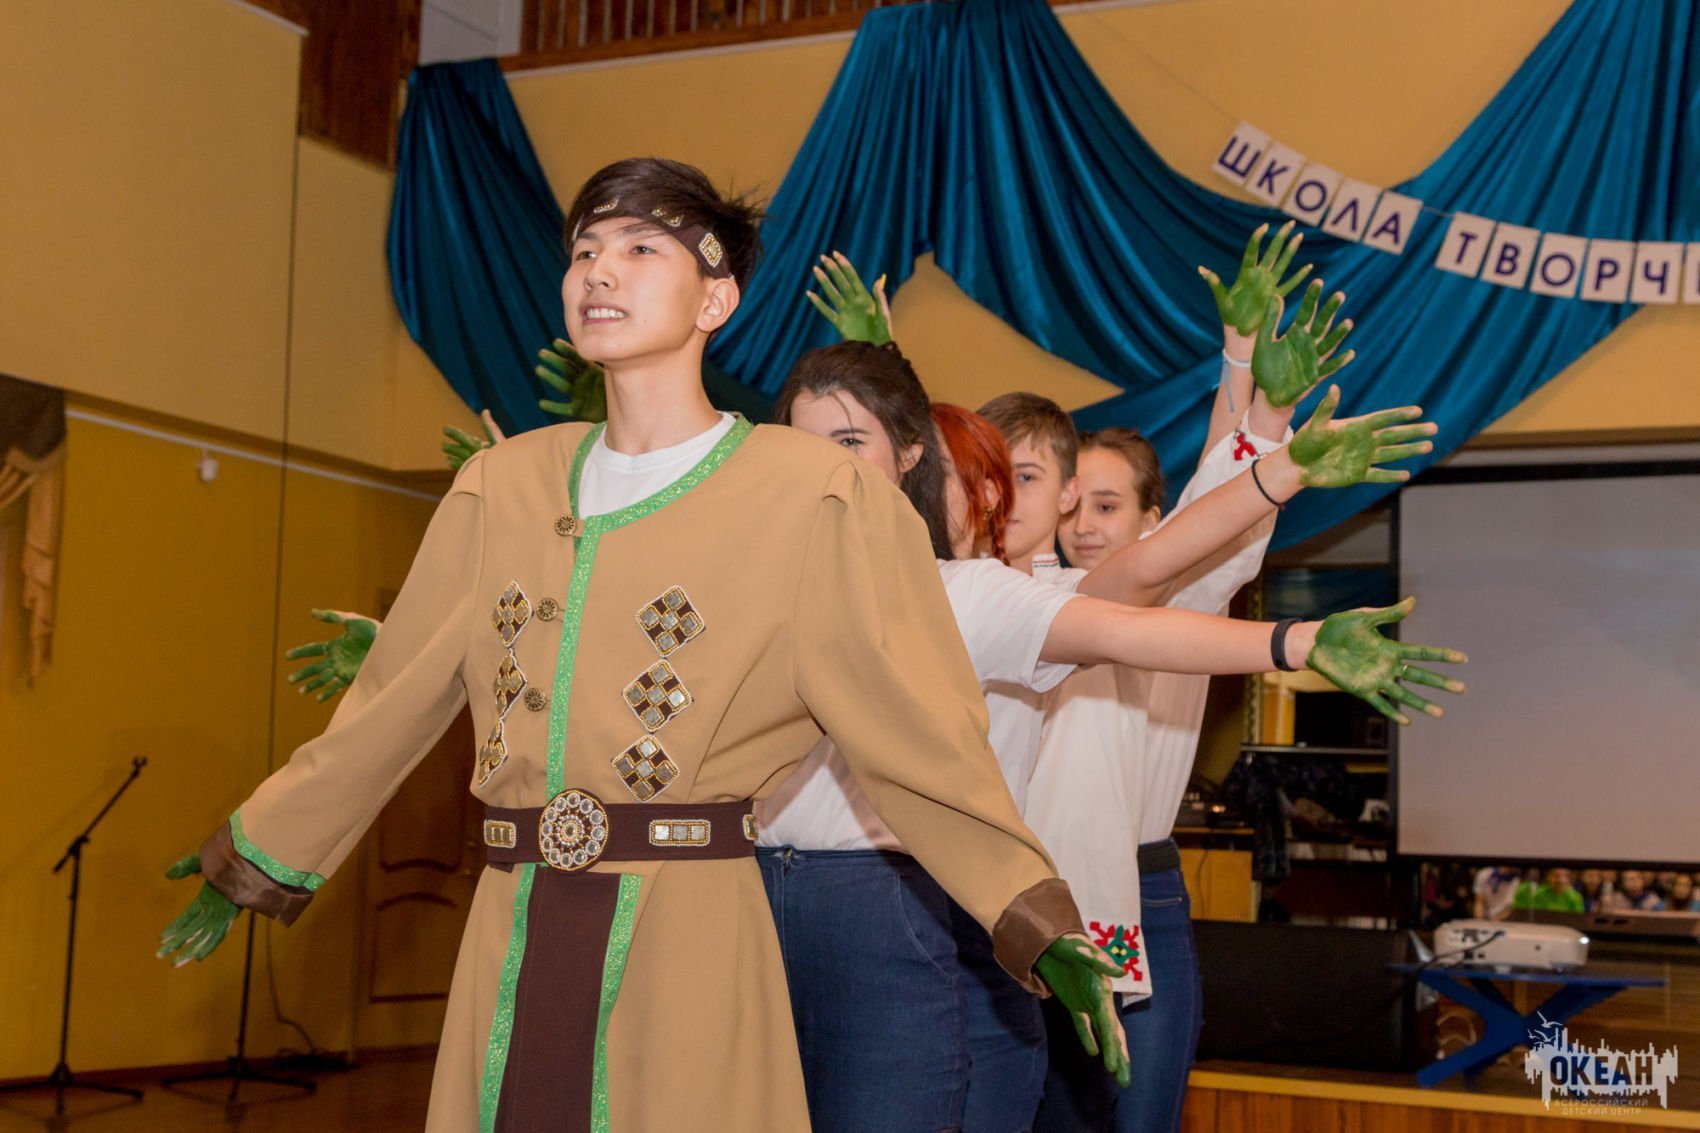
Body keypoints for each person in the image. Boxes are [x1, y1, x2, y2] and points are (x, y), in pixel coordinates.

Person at [155, 157, 1141, 1132]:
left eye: (639, 247)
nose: (599, 270)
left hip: (689, 932)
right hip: (513, 926)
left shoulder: (812, 495)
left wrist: (1027, 905)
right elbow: (393, 695)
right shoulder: (499, 486)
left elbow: (916, 729)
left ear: (717, 298)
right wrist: (264, 848)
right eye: (584, 249)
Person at [759, 338, 1465, 1131]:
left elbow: (1148, 588)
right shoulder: (785, 579)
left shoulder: (983, 595)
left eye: (1011, 476)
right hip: (787, 897)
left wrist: (1290, 623)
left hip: (988, 900)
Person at [1514, 868, 1585, 914]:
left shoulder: (1576, 897)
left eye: (1564, 876)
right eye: (1556, 876)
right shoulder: (1539, 893)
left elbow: (1577, 919)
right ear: (1549, 877)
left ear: (1568, 879)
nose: (1560, 880)